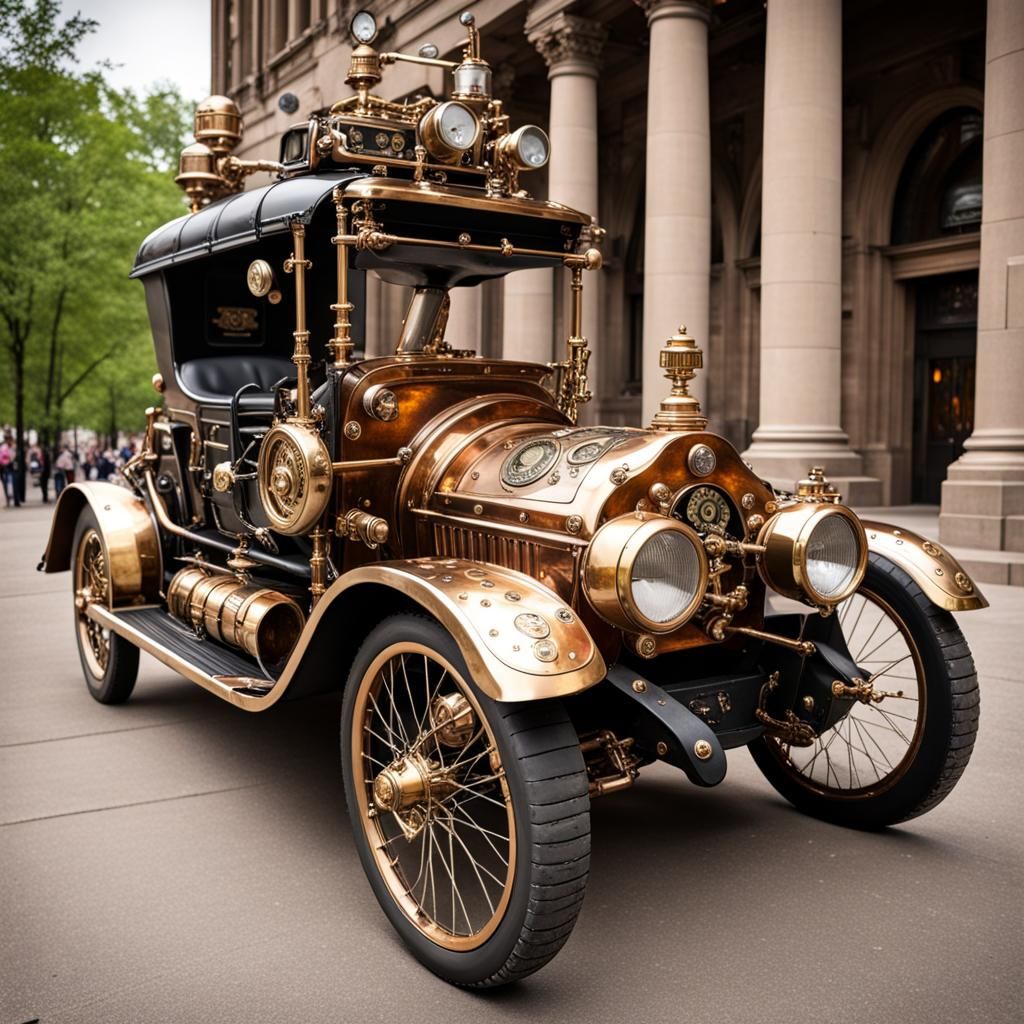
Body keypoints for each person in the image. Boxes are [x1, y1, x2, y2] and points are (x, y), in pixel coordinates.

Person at [0, 435, 13, 507]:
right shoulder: (4, 447)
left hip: (6, 467)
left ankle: (8, 499)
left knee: (7, 484)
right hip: (5, 467)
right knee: (7, 483)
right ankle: (8, 499)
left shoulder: (8, 447)